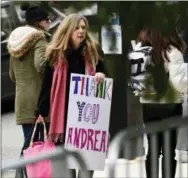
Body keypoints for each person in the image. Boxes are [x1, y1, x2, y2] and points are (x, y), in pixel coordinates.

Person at [35, 14, 106, 178]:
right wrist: (40, 111)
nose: (81, 31)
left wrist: (101, 74)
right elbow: (47, 86)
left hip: (86, 122)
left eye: (83, 28)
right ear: (68, 30)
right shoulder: (55, 55)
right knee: (65, 172)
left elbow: (104, 71)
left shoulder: (93, 51)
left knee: (87, 169)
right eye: (77, 27)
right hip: (64, 120)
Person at [128, 27, 186, 178]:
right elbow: (179, 83)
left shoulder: (140, 50)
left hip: (149, 106)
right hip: (170, 106)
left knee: (153, 150)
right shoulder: (173, 52)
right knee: (168, 151)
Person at [8, 3, 51, 178]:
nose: (49, 23)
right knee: (32, 144)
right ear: (39, 22)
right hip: (36, 100)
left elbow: (12, 74)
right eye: (47, 20)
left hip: (21, 99)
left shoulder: (15, 40)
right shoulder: (39, 38)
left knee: (30, 141)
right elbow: (41, 65)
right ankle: (21, 174)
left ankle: (23, 174)